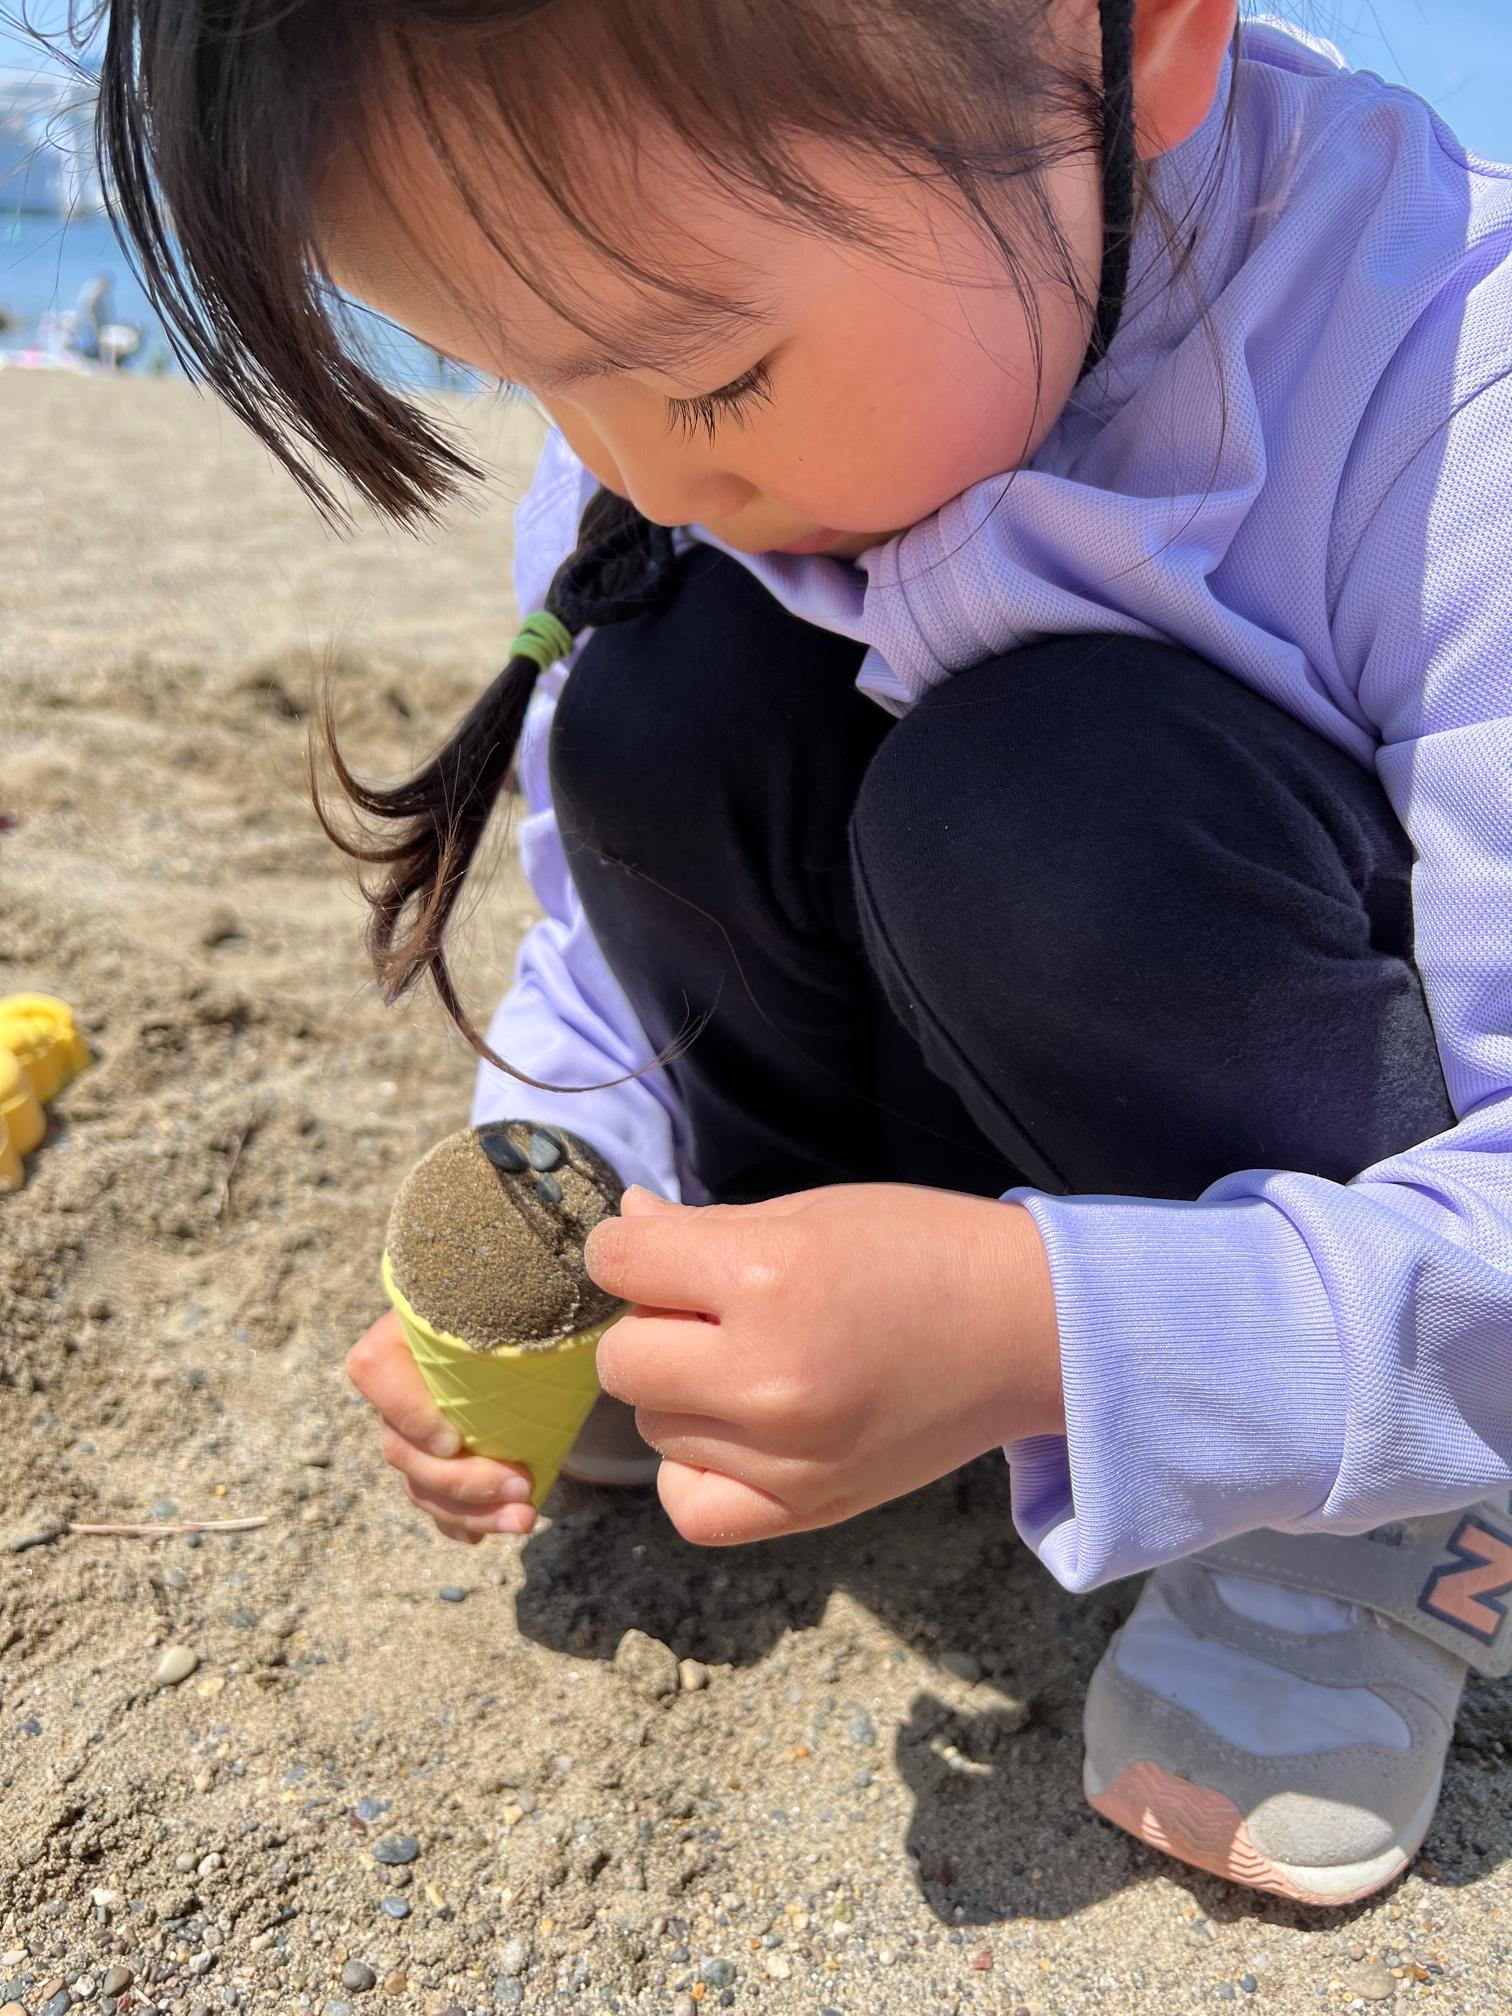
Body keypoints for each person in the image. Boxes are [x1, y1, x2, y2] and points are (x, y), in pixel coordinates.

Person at [92, 0, 1512, 1906]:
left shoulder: (1448, 388)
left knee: (1048, 807)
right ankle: (767, 1287)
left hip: (1328, 1192)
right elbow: (601, 944)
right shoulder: (652, 415)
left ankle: (1364, 1530)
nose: (633, 468)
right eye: (524, 379)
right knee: (663, 695)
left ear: (1135, 45)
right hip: (927, 1075)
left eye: (714, 380)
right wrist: (561, 1209)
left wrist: (1047, 1328)